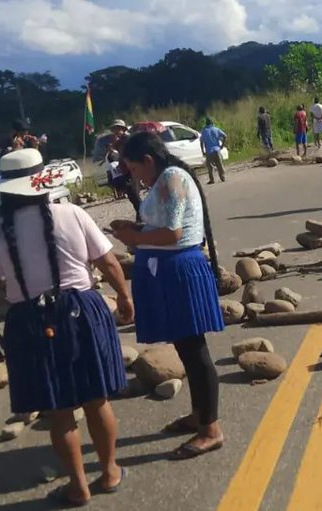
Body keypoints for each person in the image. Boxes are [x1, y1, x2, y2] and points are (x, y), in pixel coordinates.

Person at [0, 148, 132, 507]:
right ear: (42, 183)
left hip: (29, 321)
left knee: (60, 412)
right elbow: (107, 261)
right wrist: (124, 296)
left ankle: (78, 487)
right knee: (97, 400)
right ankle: (110, 471)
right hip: (82, 311)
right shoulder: (72, 214)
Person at [110, 132, 226, 461]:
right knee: (186, 349)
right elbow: (162, 225)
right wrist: (133, 227)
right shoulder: (164, 179)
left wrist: (133, 235)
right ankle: (200, 414)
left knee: (194, 349)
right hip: (168, 270)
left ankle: (211, 430)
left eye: (133, 168)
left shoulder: (172, 178)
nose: (133, 175)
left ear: (148, 160)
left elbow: (173, 233)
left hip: (179, 271)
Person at [200, 117, 227, 184]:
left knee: (209, 166)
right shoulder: (216, 129)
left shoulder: (204, 131)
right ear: (212, 123)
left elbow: (201, 142)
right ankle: (222, 177)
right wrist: (222, 145)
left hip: (209, 151)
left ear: (206, 123)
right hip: (217, 150)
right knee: (219, 165)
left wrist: (203, 151)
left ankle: (212, 179)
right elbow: (225, 136)